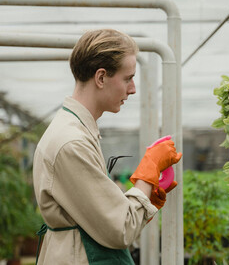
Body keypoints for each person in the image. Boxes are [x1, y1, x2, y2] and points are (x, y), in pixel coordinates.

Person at [33, 29, 182, 264]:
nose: (132, 88)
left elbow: (99, 214)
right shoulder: (71, 143)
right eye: (127, 78)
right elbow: (120, 228)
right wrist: (148, 174)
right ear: (101, 77)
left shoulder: (76, 131)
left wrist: (146, 200)